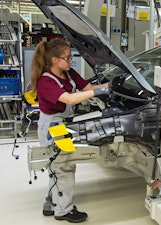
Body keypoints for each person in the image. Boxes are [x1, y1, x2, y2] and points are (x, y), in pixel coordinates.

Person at [30, 39, 110, 223]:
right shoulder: (45, 81)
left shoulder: (69, 73)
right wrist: (99, 92)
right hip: (52, 126)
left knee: (56, 167)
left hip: (63, 124)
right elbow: (70, 99)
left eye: (71, 57)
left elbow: (89, 89)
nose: (71, 61)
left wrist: (110, 88)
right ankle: (63, 210)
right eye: (67, 58)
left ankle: (51, 204)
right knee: (64, 167)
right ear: (55, 60)